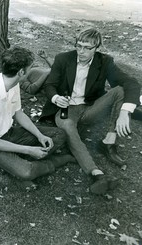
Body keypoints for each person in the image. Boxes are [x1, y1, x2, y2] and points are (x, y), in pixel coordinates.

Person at [40, 27, 141, 194]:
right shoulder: (63, 59)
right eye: (79, 46)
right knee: (68, 128)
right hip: (67, 109)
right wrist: (56, 98)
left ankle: (108, 141)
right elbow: (49, 85)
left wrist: (125, 112)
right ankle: (96, 173)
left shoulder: (105, 62)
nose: (81, 51)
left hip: (90, 107)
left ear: (97, 48)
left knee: (120, 91)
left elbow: (131, 83)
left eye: (87, 48)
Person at [0, 45, 74, 181]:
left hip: (7, 132)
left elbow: (18, 113)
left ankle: (18, 158)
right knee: (26, 172)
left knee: (59, 134)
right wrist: (28, 149)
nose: (31, 69)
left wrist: (39, 135)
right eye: (30, 67)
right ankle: (53, 162)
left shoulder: (12, 83)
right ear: (21, 72)